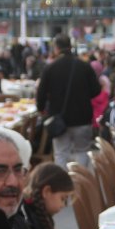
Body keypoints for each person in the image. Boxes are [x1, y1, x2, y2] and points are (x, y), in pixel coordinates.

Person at [36, 35, 100, 168]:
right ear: (71, 47)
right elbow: (96, 90)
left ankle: (62, 185)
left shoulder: (50, 68)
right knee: (82, 152)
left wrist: (41, 109)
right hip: (82, 116)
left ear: (56, 48)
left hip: (59, 117)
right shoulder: (84, 66)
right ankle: (82, 183)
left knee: (60, 153)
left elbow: (41, 93)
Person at [22, 162, 93, 229]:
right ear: (47, 191)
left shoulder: (37, 214)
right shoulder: (30, 221)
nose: (63, 205)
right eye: (63, 198)